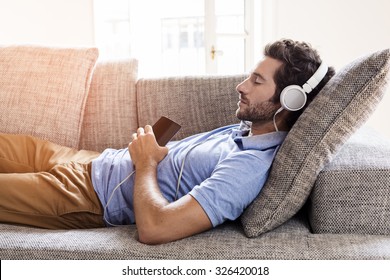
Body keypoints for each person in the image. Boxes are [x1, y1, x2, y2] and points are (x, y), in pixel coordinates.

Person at [0, 39, 335, 244]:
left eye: (257, 81)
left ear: (288, 101)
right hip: (88, 159)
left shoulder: (248, 170)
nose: (241, 86)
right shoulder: (245, 132)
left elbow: (156, 229)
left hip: (87, 196)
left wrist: (146, 161)